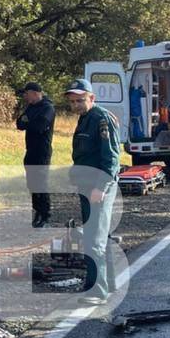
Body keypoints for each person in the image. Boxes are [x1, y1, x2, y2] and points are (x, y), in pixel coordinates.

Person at [66, 78, 121, 305]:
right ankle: (105, 283)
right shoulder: (85, 118)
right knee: (97, 236)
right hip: (87, 186)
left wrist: (101, 187)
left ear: (92, 98)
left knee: (94, 239)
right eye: (73, 101)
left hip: (98, 188)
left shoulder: (101, 119)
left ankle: (97, 291)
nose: (76, 104)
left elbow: (112, 159)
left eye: (80, 100)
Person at [15, 82, 56, 227]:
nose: (25, 97)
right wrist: (28, 121)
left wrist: (28, 121)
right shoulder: (31, 107)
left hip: (42, 151)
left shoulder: (48, 107)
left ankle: (45, 214)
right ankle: (37, 210)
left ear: (34, 92)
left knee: (41, 183)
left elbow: (40, 127)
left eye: (26, 93)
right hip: (30, 150)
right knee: (31, 183)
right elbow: (19, 123)